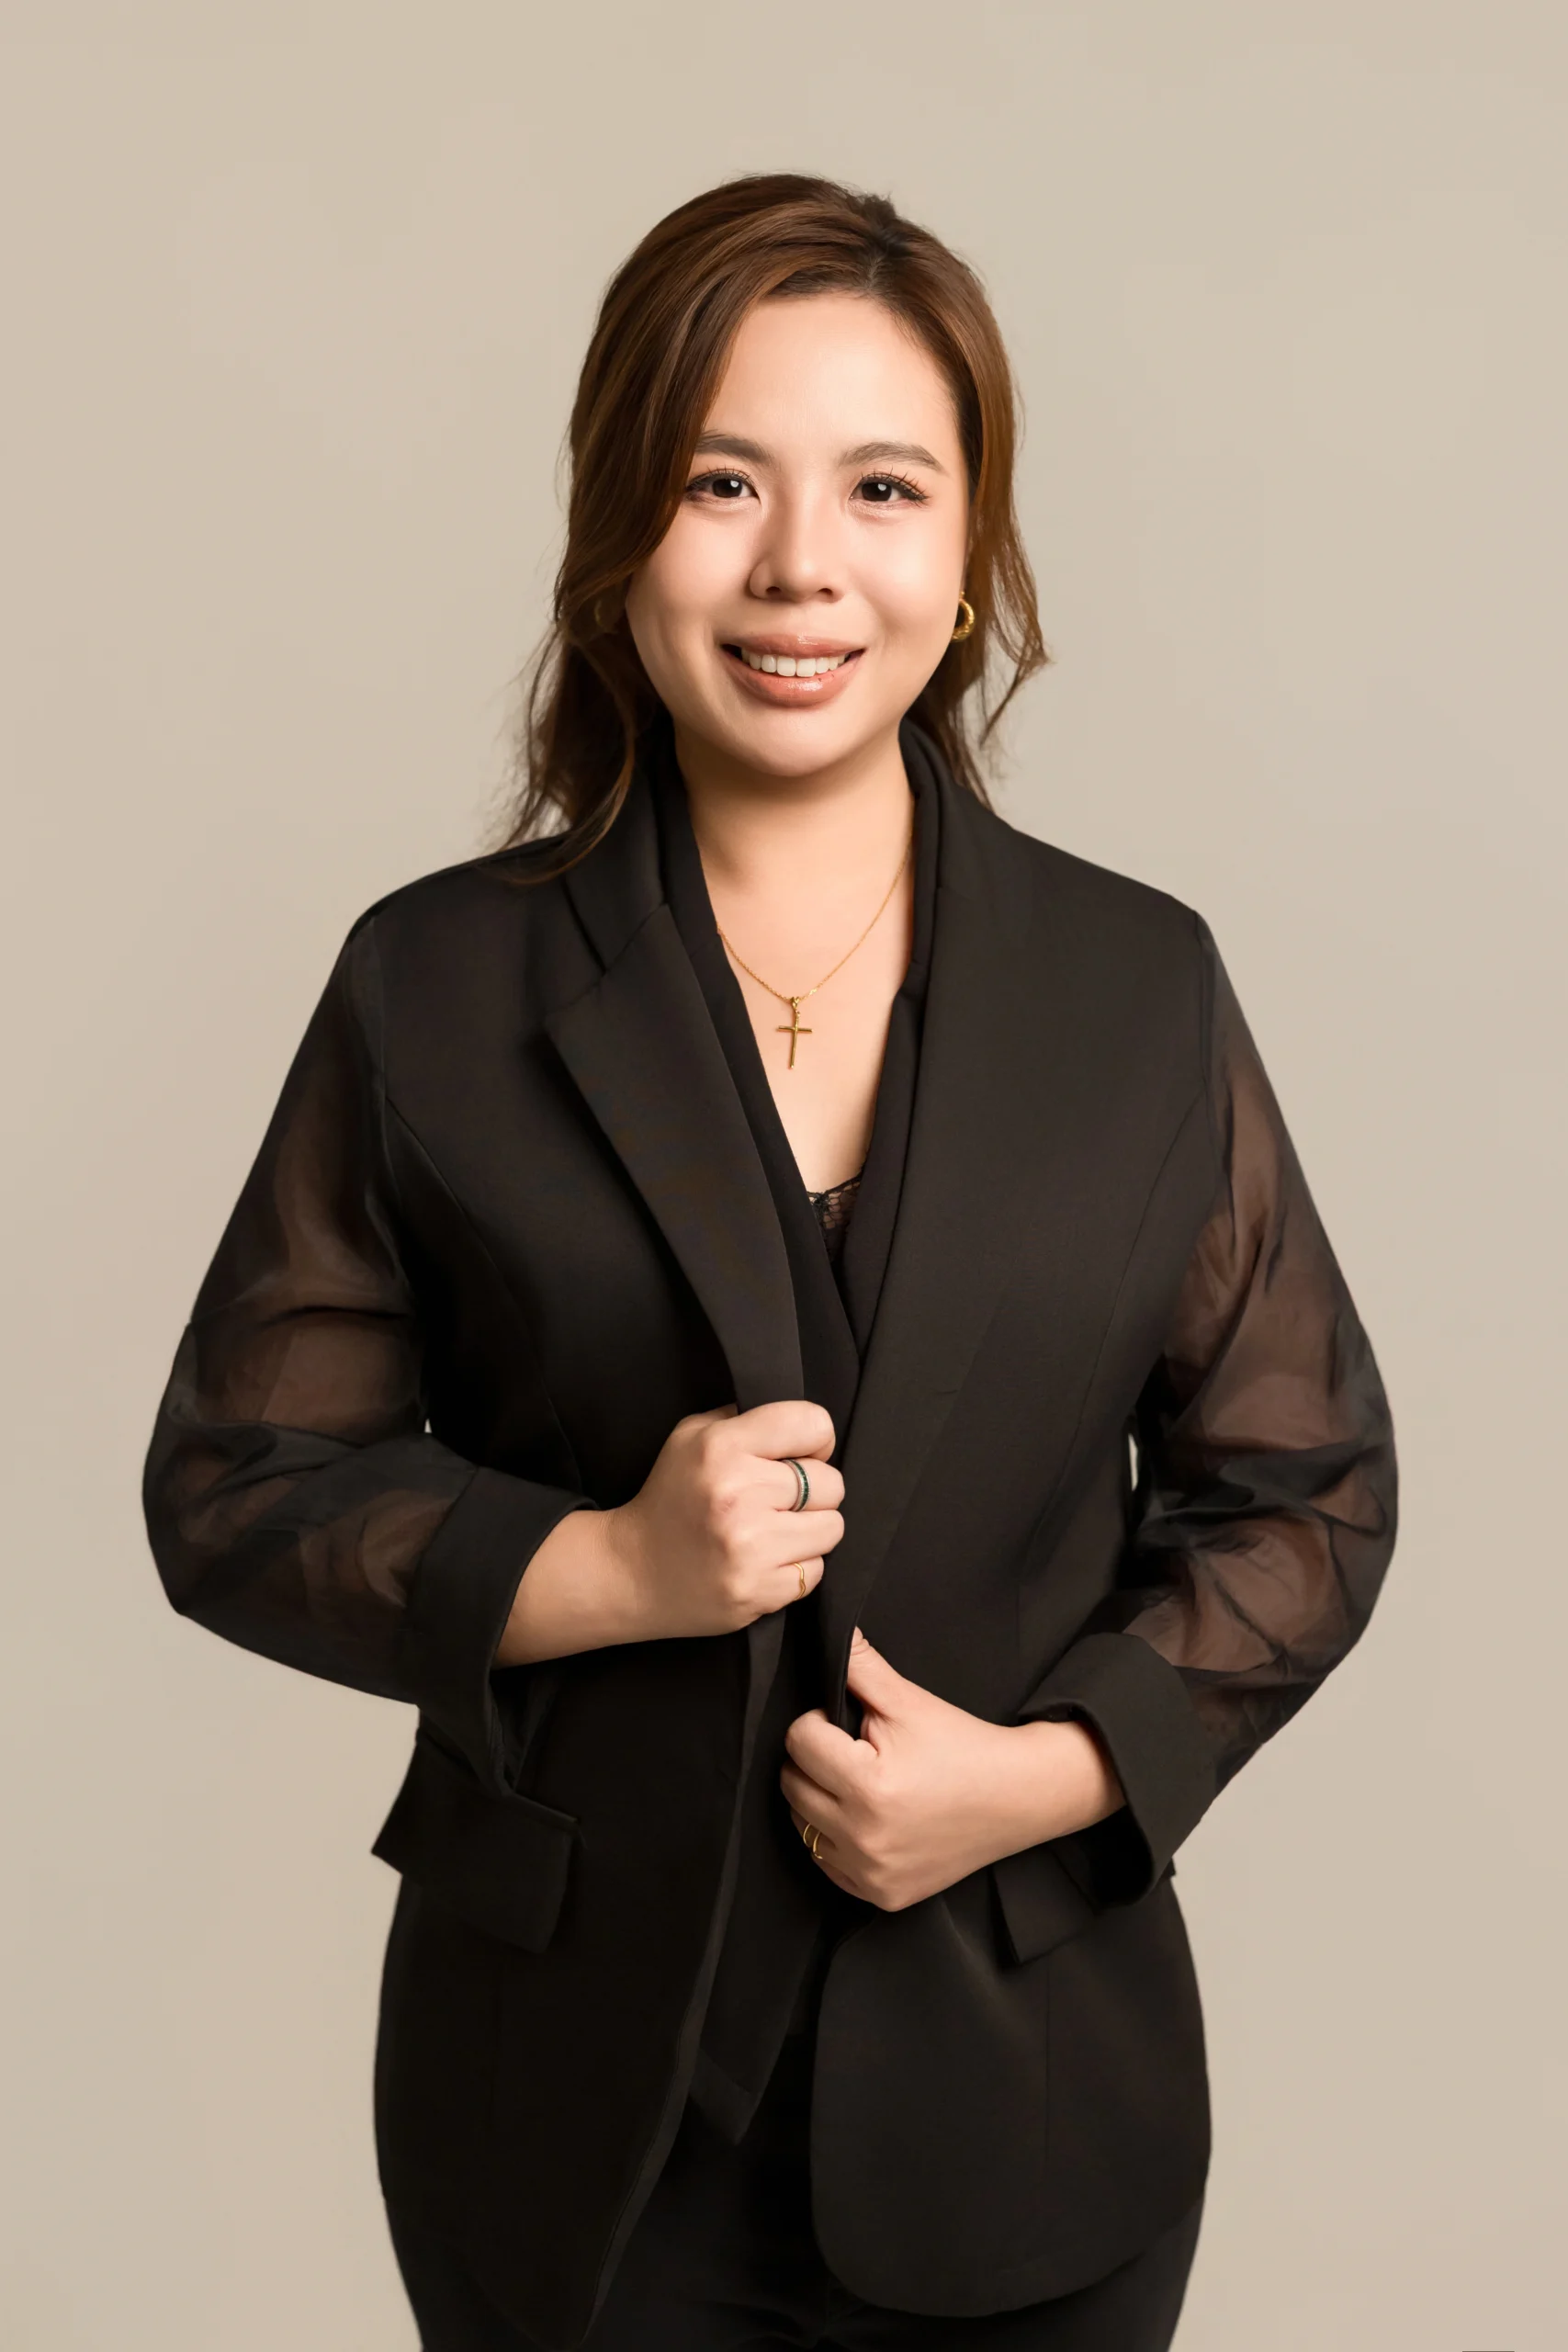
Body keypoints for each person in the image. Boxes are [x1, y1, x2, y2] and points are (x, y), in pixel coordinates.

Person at [142, 174, 1397, 2352]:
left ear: (969, 546)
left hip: (1038, 2097)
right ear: (618, 520)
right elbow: (240, 1477)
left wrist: (1045, 1773)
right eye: (722, 478)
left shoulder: (1137, 984)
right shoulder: (431, 983)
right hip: (569, 2124)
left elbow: (1305, 1486)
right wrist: (607, 1568)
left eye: (883, 487)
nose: (801, 564)